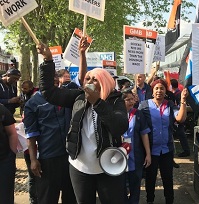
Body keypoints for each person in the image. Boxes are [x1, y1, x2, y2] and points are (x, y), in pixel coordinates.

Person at [36, 42, 128, 204]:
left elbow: (120, 126)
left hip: (107, 167)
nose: (90, 81)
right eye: (88, 78)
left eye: (95, 79)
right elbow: (49, 93)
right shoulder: (78, 97)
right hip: (80, 168)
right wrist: (48, 61)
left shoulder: (115, 101)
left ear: (105, 83)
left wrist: (98, 103)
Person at [24, 74, 76, 204]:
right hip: (48, 158)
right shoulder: (33, 103)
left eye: (55, 80)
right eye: (49, 81)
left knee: (71, 197)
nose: (53, 83)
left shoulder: (66, 98)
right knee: (47, 198)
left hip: (71, 157)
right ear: (41, 83)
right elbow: (31, 134)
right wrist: (33, 160)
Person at [139, 79, 188, 204]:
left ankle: (169, 200)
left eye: (162, 88)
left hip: (167, 149)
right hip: (150, 151)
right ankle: (150, 200)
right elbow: (140, 127)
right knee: (150, 179)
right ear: (152, 91)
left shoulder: (170, 104)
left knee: (168, 178)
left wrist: (183, 101)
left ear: (165, 91)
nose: (159, 91)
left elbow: (180, 118)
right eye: (156, 88)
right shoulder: (144, 105)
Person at [122, 90, 151, 204]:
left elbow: (144, 134)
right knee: (121, 186)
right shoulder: (116, 114)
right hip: (119, 155)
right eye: (127, 100)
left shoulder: (138, 114)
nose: (131, 102)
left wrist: (148, 154)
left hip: (135, 155)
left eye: (132, 99)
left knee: (135, 185)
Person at [0, 104, 18, 204]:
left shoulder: (2, 110)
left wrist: (11, 155)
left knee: (4, 196)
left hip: (3, 161)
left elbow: (12, 133)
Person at [170, 78, 190, 157]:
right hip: (177, 115)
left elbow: (180, 105)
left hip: (179, 115)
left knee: (181, 133)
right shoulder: (176, 93)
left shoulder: (178, 94)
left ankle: (186, 150)